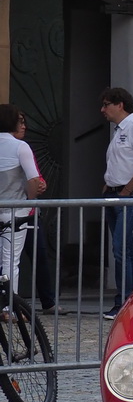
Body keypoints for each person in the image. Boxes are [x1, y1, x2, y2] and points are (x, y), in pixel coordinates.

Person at [100, 87, 133, 318]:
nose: (103, 110)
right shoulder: (119, 130)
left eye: (106, 104)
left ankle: (123, 300)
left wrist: (127, 190)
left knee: (120, 247)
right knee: (125, 248)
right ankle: (131, 299)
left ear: (119, 104)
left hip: (129, 193)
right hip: (116, 192)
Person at [0, 104, 47, 303]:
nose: (23, 125)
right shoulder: (20, 147)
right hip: (16, 210)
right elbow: (33, 181)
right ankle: (10, 307)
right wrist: (33, 195)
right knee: (11, 260)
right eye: (20, 121)